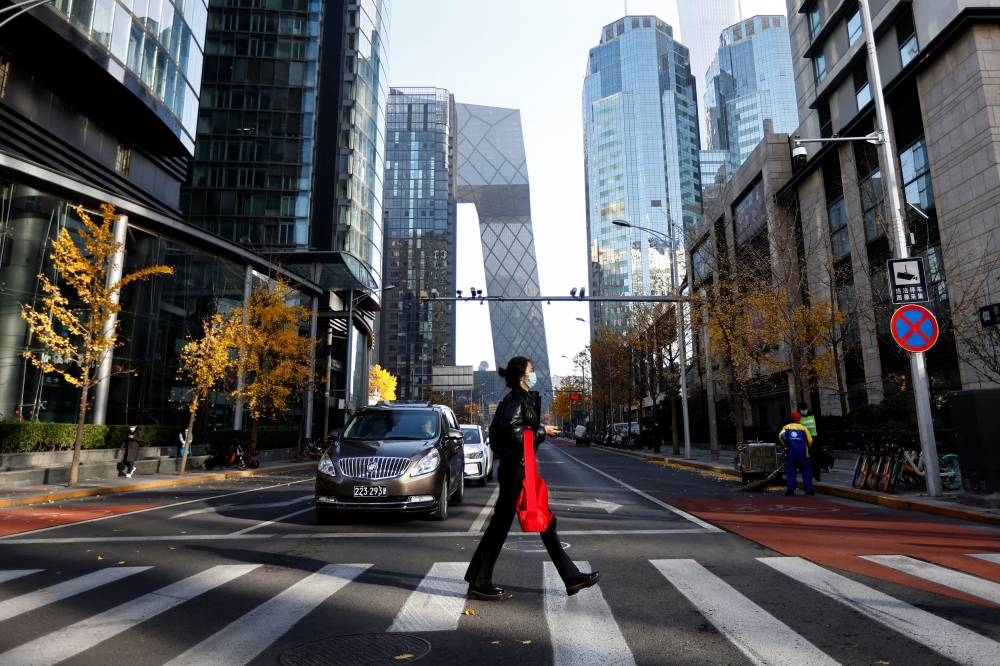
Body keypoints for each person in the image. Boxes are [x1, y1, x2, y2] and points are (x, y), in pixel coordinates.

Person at [465, 356, 600, 601]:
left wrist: (538, 429)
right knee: (515, 523)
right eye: (531, 370)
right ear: (521, 375)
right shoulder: (515, 400)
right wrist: (541, 430)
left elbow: (513, 431)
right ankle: (480, 581)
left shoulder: (521, 398)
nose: (534, 373)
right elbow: (512, 432)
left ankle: (570, 578)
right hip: (516, 470)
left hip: (520, 468)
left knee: (537, 520)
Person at [779, 415, 813, 495]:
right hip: (803, 454)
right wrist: (807, 446)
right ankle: (808, 491)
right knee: (806, 472)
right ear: (799, 420)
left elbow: (780, 436)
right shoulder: (803, 428)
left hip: (791, 453)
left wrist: (786, 444)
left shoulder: (786, 428)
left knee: (791, 472)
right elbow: (810, 440)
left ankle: (790, 490)